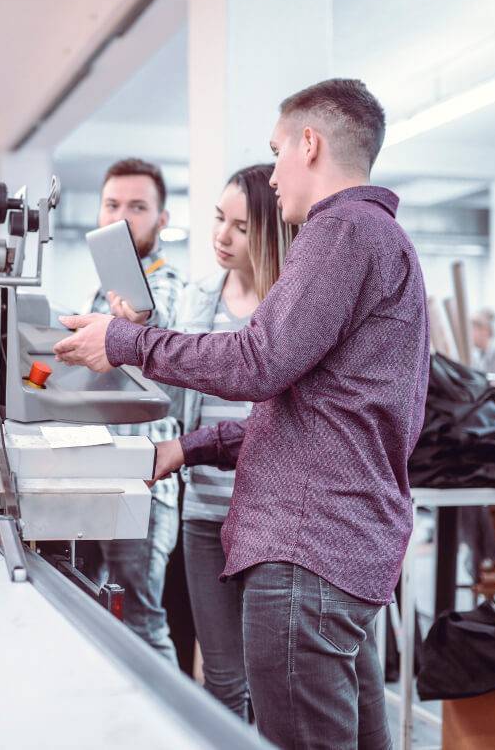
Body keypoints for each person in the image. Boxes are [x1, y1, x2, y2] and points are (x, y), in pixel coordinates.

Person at [54, 79, 428, 750]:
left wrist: (122, 340)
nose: (274, 174)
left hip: (306, 549)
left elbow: (257, 363)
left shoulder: (338, 230)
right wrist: (191, 448)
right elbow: (317, 414)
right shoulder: (381, 238)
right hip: (344, 546)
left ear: (309, 144)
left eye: (277, 151)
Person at [169, 163, 293, 719]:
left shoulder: (288, 310)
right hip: (203, 513)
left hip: (269, 522)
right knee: (221, 680)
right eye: (219, 219)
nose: (221, 235)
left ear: (270, 230)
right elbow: (174, 399)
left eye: (240, 227)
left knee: (271, 686)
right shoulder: (198, 298)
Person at [83, 157, 185, 662]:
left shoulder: (161, 284)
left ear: (162, 219)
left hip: (145, 477)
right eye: (113, 205)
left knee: (142, 622)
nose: (122, 217)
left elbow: (157, 323)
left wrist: (135, 322)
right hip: (101, 469)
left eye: (138, 207)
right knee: (102, 611)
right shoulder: (104, 290)